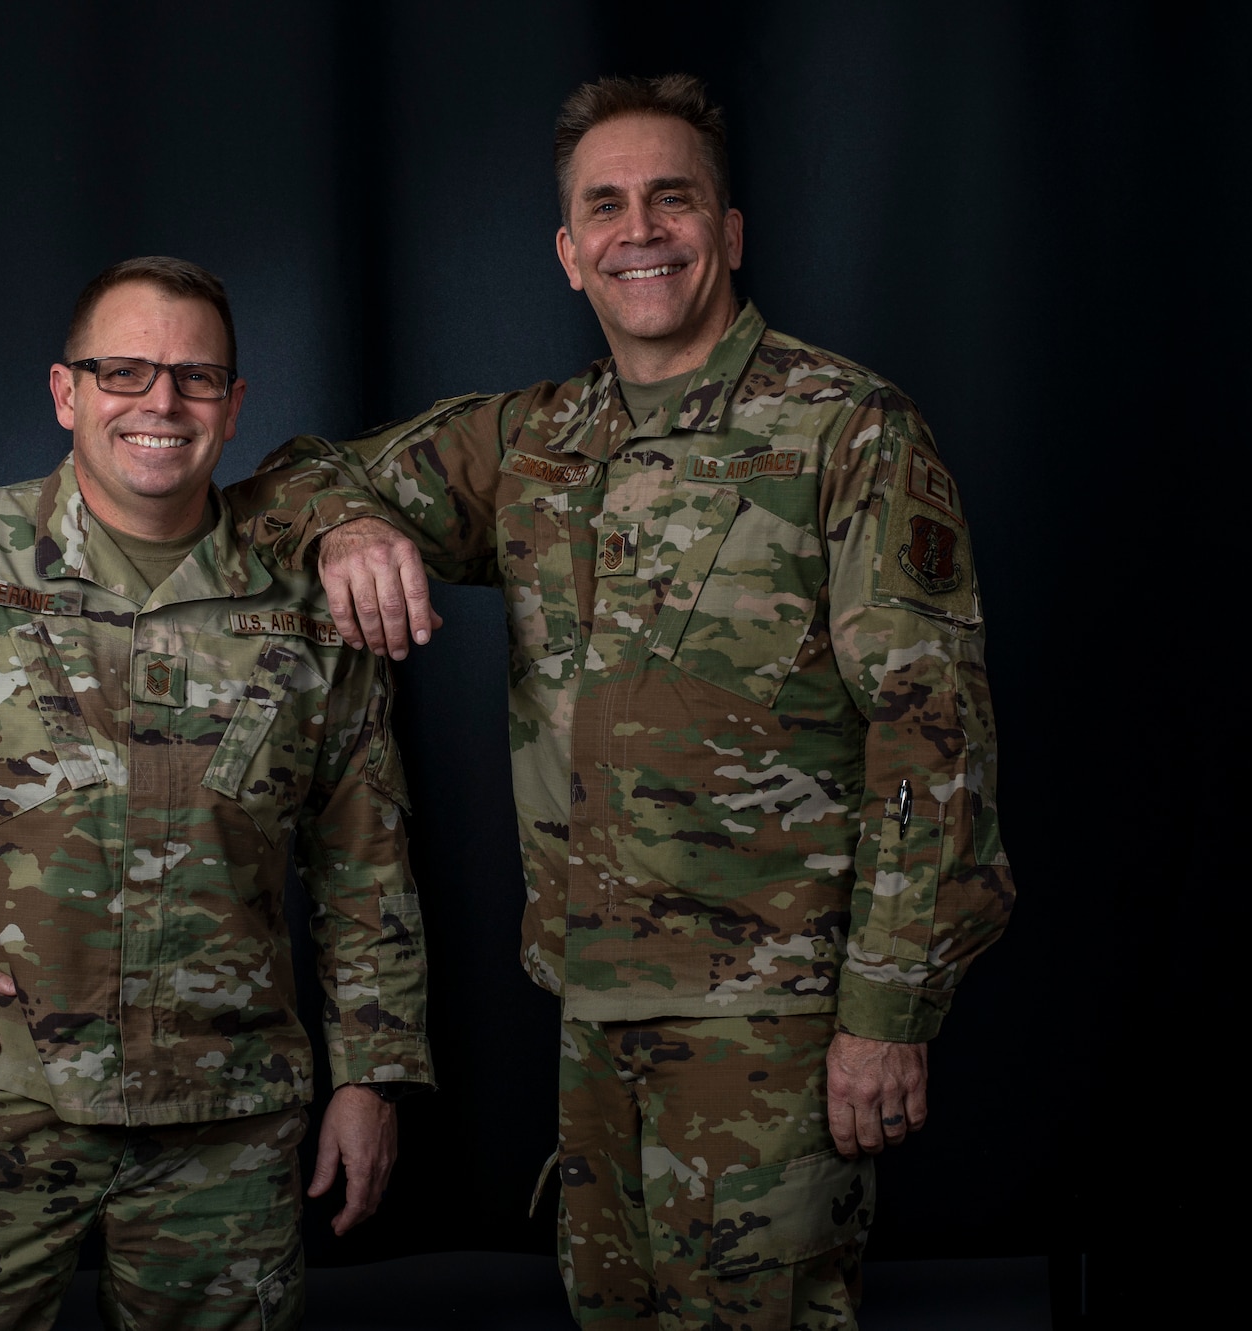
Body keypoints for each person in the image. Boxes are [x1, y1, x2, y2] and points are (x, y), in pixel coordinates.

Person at [240, 76, 1015, 1329]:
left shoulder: (847, 432)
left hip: (772, 1016)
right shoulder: (536, 441)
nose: (637, 229)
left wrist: (885, 1013)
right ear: (565, 254)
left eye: (672, 197)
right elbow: (287, 478)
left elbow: (932, 735)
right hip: (587, 1003)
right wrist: (342, 526)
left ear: (730, 230)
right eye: (603, 205)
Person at [0, 256, 431, 1331]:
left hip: (227, 1126)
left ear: (235, 405)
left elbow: (362, 856)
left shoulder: (305, 605)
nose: (160, 402)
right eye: (123, 371)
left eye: (195, 378)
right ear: (66, 392)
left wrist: (369, 1077)